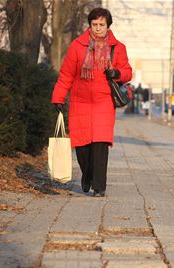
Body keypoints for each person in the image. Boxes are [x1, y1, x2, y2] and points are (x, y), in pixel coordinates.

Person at [51, 7, 132, 197]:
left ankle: (99, 187)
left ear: (108, 26)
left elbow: (127, 71)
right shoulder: (77, 46)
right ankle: (86, 175)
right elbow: (66, 75)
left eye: (101, 25)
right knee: (82, 148)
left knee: (100, 145)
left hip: (104, 101)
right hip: (80, 101)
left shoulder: (117, 48)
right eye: (94, 24)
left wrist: (117, 73)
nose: (97, 28)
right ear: (90, 25)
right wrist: (58, 97)